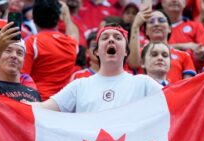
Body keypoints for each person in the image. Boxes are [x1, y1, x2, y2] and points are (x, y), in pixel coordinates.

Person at [31, 24, 162, 113]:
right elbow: (43, 108)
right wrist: (12, 106)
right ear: (97, 52)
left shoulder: (144, 83)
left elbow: (175, 101)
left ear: (126, 51)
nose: (111, 40)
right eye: (105, 38)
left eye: (117, 38)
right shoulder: (79, 86)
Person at [22, 0, 78, 100]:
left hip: (38, 103)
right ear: (58, 18)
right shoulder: (71, 44)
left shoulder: (32, 42)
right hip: (63, 105)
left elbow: (21, 77)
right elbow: (74, 34)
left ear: (33, 19)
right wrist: (67, 17)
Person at [128, 8, 196, 84]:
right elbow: (133, 64)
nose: (156, 24)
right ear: (146, 31)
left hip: (174, 95)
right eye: (151, 21)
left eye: (161, 20)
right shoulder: (139, 53)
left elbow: (188, 86)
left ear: (170, 28)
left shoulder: (184, 56)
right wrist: (136, 26)